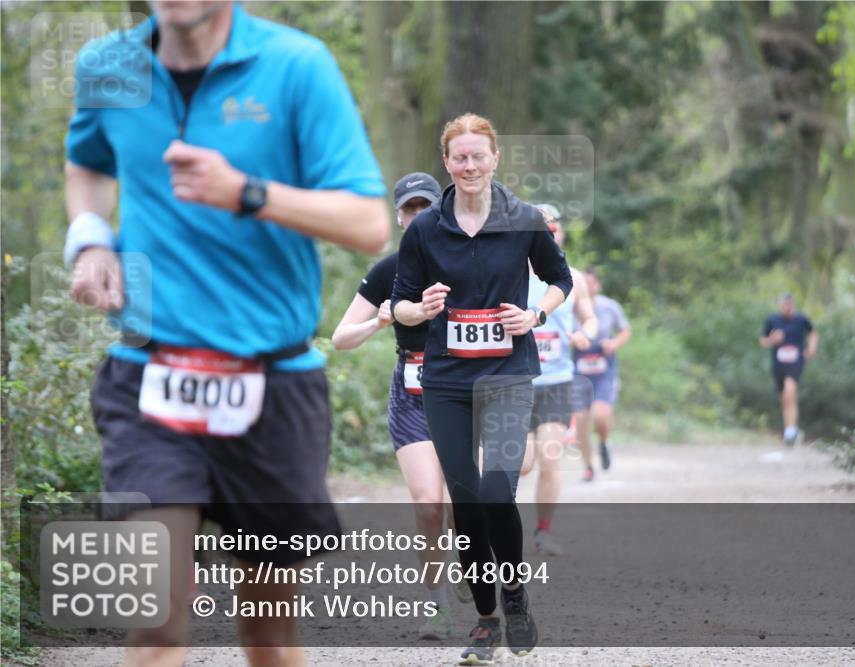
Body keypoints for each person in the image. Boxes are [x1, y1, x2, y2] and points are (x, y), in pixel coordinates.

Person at [64, 2, 388, 666]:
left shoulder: (298, 66)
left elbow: (367, 223)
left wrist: (247, 191)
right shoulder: (108, 66)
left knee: (267, 635)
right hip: (149, 377)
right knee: (155, 621)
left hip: (271, 383)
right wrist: (90, 240)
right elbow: (87, 163)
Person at [391, 113, 572, 664]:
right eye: (459, 157)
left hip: (507, 375)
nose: (469, 165)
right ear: (446, 163)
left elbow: (560, 280)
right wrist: (418, 308)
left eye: (478, 156)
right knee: (465, 503)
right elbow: (398, 302)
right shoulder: (425, 228)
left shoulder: (523, 220)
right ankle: (486, 619)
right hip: (445, 380)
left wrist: (536, 314)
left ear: (495, 159)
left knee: (497, 491)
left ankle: (514, 596)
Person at [331, 172, 473, 639]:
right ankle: (436, 606)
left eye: (425, 207)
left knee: (459, 505)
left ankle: (467, 561)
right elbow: (339, 339)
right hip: (410, 393)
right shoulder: (387, 269)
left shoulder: (466, 261)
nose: (417, 216)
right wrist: (377, 320)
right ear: (398, 215)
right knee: (428, 503)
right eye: (409, 209)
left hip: (459, 391)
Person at [519, 205, 598, 557]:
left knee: (551, 459)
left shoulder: (574, 278)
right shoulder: (511, 272)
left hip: (556, 382)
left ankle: (542, 532)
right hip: (516, 381)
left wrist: (585, 334)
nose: (549, 236)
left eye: (553, 230)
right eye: (541, 230)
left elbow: (591, 320)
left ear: (560, 235)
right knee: (521, 464)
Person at [571, 267, 631, 480]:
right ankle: (588, 466)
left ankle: (604, 442)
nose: (587, 287)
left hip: (604, 367)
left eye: (591, 283)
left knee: (601, 415)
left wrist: (613, 343)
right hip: (580, 367)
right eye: (583, 283)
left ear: (598, 285)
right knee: (580, 420)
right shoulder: (570, 306)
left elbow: (625, 331)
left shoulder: (609, 307)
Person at [759, 293, 819, 446]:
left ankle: (790, 432)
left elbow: (813, 333)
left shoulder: (802, 320)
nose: (787, 307)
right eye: (784, 304)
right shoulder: (772, 320)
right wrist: (773, 339)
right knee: (784, 398)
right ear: (780, 305)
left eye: (790, 304)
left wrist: (811, 349)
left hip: (796, 361)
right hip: (779, 363)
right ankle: (792, 428)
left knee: (790, 391)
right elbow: (763, 342)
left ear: (794, 305)